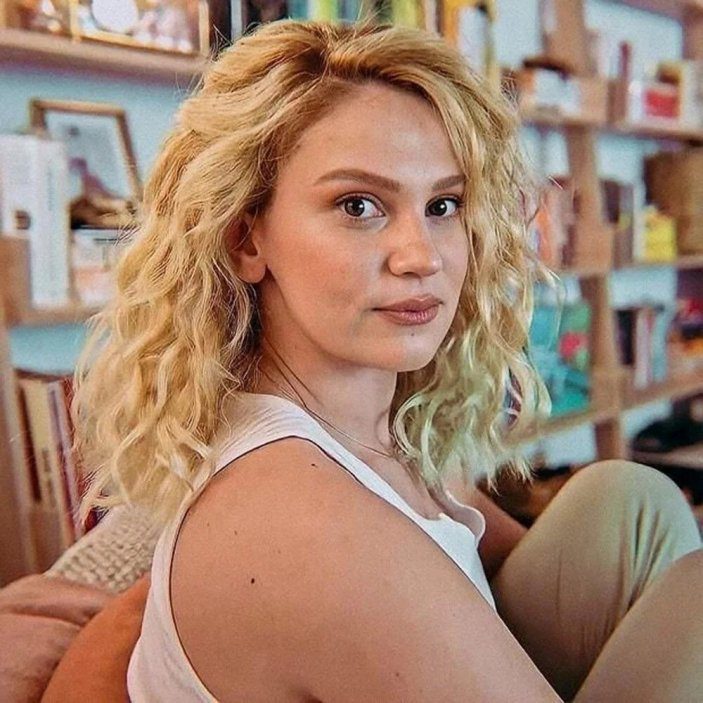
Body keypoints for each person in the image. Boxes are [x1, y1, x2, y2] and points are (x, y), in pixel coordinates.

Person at [73, 18, 703, 702]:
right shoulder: (304, 522)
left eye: (443, 204)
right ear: (245, 239)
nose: (422, 256)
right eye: (359, 205)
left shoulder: (376, 432)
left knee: (627, 501)